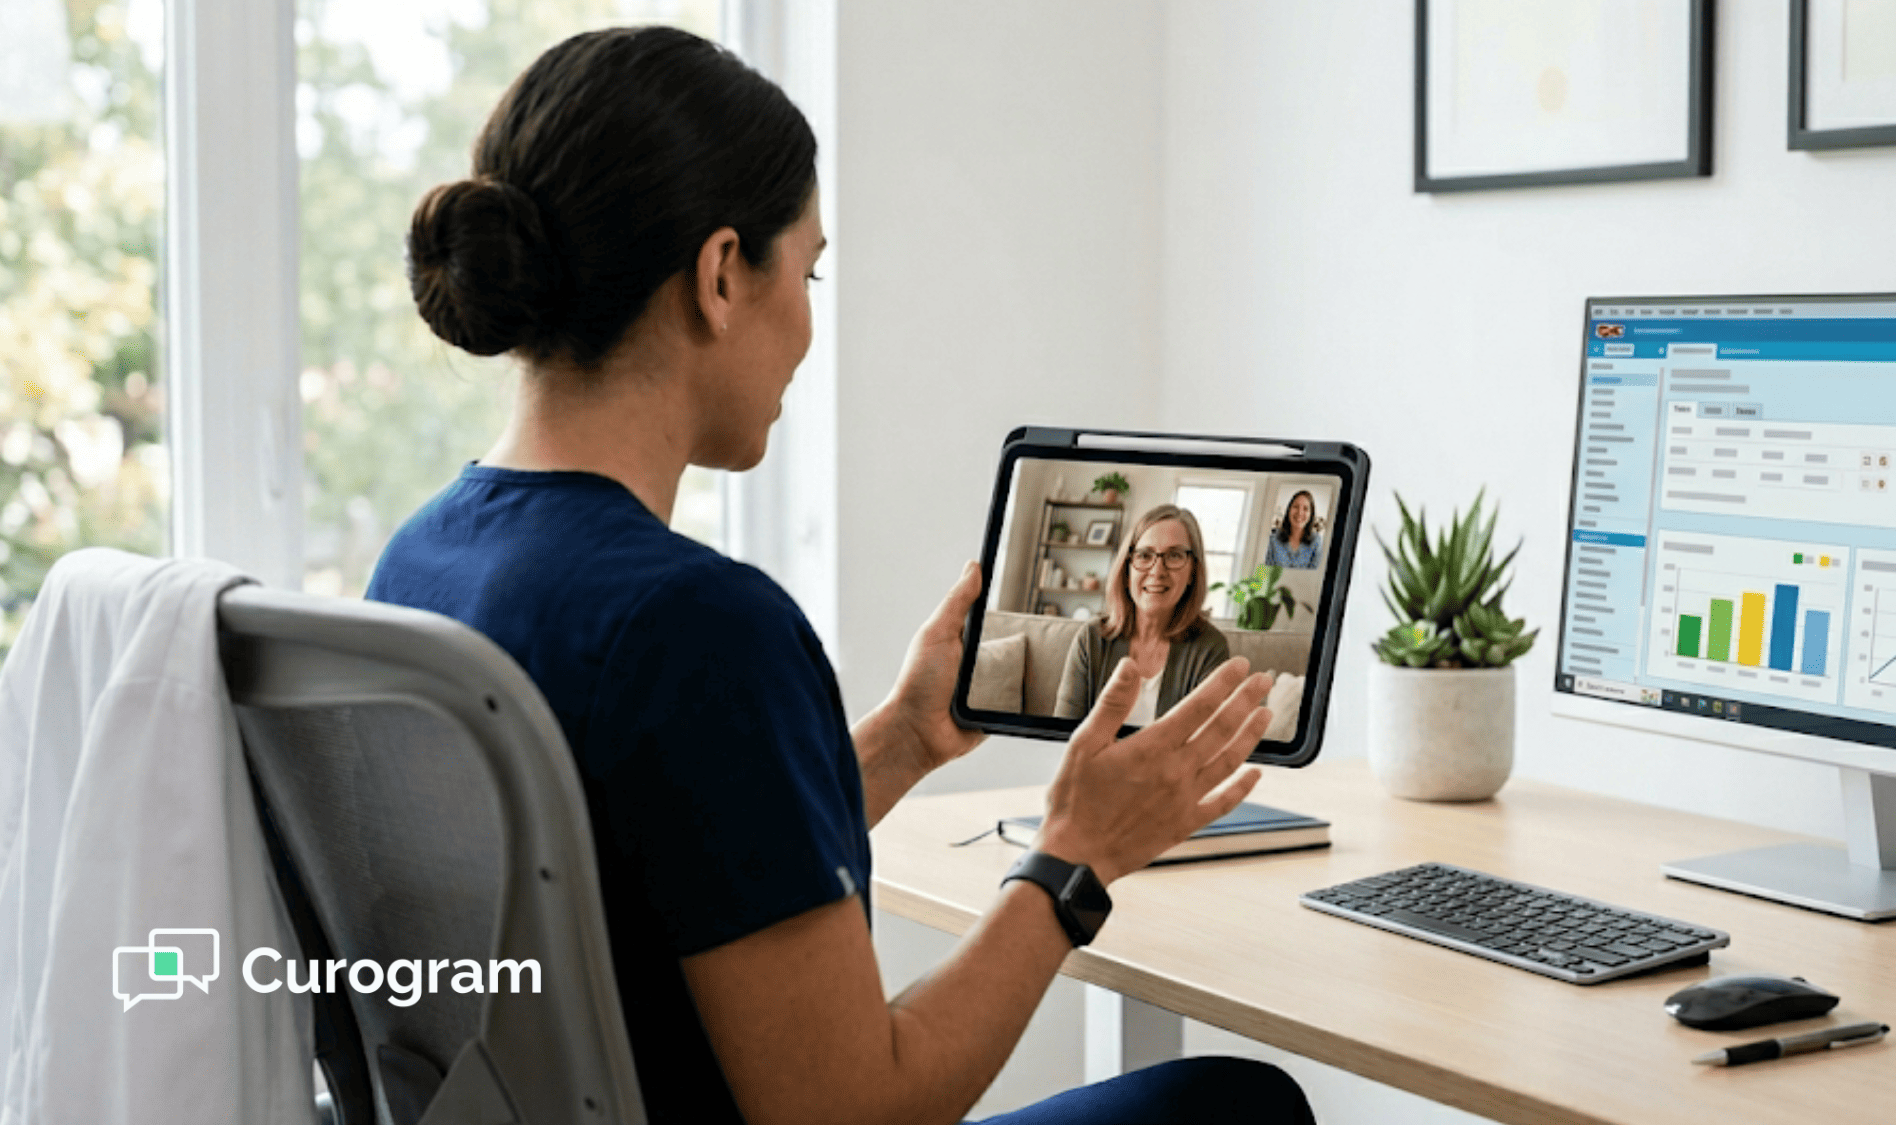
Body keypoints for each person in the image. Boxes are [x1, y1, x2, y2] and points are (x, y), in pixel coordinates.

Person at [366, 26, 1312, 1125]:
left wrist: (905, 736)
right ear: (722, 275)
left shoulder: (419, 562)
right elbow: (857, 1110)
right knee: (1233, 1106)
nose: (808, 325)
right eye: (806, 268)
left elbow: (659, 863)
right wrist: (1074, 860)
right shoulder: (696, 628)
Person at [1053, 506, 1233, 724]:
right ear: (1128, 570)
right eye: (1145, 555)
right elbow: (1062, 737)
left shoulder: (1210, 649)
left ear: (1193, 572)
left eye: (1175, 555)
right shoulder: (1091, 639)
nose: (1157, 571)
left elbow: (1201, 748)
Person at [1263, 489, 1321, 569]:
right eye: (1296, 507)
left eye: (1305, 509)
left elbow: (1316, 575)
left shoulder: (1316, 541)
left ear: (1311, 515)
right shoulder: (1273, 540)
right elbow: (1267, 572)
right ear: (1289, 510)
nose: (1300, 513)